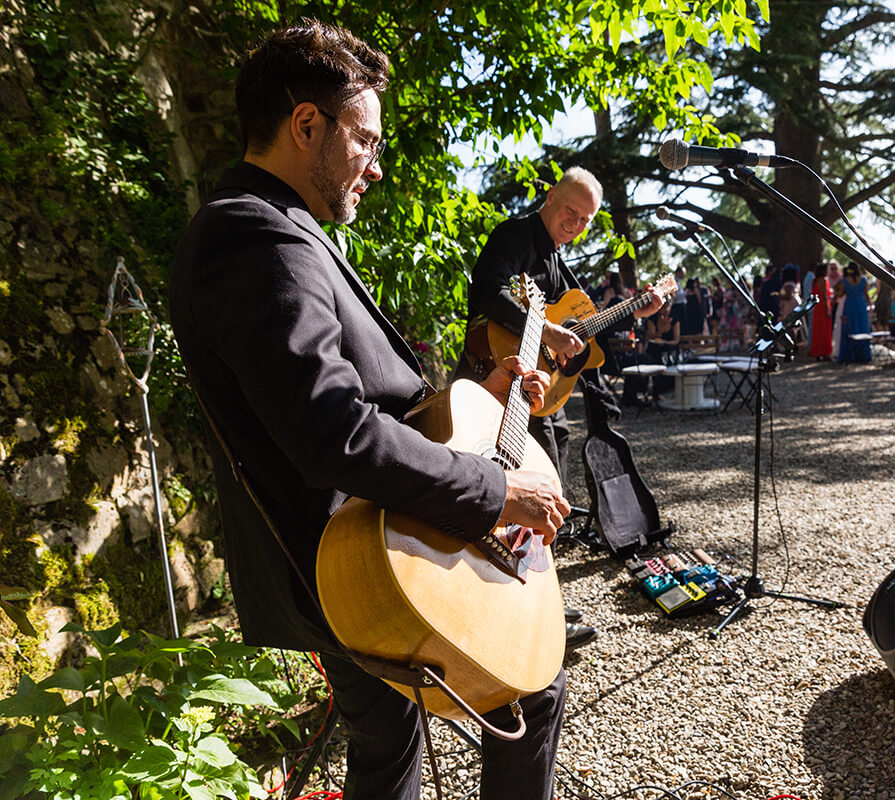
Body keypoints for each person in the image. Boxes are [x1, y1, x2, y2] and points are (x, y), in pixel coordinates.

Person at [169, 21, 568, 800]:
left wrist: (481, 401)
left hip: (376, 539)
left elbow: (363, 403)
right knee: (525, 687)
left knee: (387, 745)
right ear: (306, 124)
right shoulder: (256, 237)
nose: (376, 167)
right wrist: (494, 493)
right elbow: (333, 432)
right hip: (358, 560)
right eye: (366, 140)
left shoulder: (278, 228)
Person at [459, 167, 661, 652]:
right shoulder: (515, 235)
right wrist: (546, 332)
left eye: (585, 220)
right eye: (570, 211)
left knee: (548, 495)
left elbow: (582, 334)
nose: (575, 224)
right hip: (499, 379)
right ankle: (507, 609)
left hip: (542, 396)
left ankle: (538, 600)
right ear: (550, 197)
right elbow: (487, 293)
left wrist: (636, 308)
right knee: (511, 492)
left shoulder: (556, 261)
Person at [838, 263, 872, 362]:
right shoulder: (864, 280)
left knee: (849, 329)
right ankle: (863, 355)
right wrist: (869, 305)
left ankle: (849, 355)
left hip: (849, 306)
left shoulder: (844, 280)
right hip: (861, 306)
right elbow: (866, 294)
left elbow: (841, 294)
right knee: (862, 328)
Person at [807, 262, 833, 360]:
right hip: (823, 307)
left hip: (817, 307)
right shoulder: (823, 280)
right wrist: (827, 310)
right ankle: (824, 352)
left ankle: (818, 352)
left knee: (818, 330)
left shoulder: (815, 280)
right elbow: (824, 296)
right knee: (824, 330)